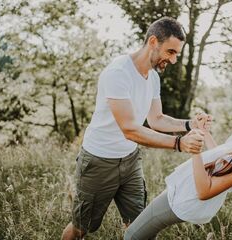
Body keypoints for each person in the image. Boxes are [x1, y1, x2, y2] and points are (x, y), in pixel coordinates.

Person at [61, 17, 211, 239]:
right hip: (99, 161)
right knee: (81, 227)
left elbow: (156, 119)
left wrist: (189, 125)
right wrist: (180, 143)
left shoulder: (152, 78)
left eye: (177, 54)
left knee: (139, 226)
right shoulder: (118, 73)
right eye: (170, 52)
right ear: (153, 42)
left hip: (130, 161)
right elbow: (130, 129)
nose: (173, 59)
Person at [124, 102, 232, 239]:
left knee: (131, 236)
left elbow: (204, 191)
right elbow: (219, 160)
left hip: (183, 201)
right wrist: (204, 132)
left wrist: (195, 152)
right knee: (142, 234)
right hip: (180, 192)